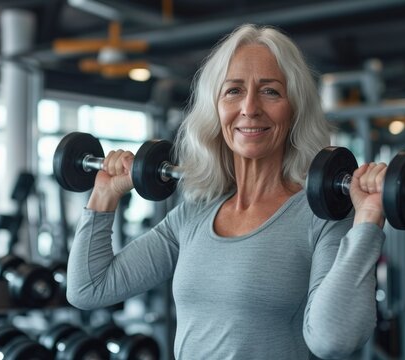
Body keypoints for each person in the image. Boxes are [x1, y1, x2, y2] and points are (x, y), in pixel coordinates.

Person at [67, 24, 387, 360]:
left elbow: (333, 340)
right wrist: (104, 195)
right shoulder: (194, 212)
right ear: (216, 107)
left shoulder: (321, 215)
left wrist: (366, 224)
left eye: (270, 91)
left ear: (294, 109)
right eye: (233, 90)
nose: (249, 108)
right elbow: (90, 289)